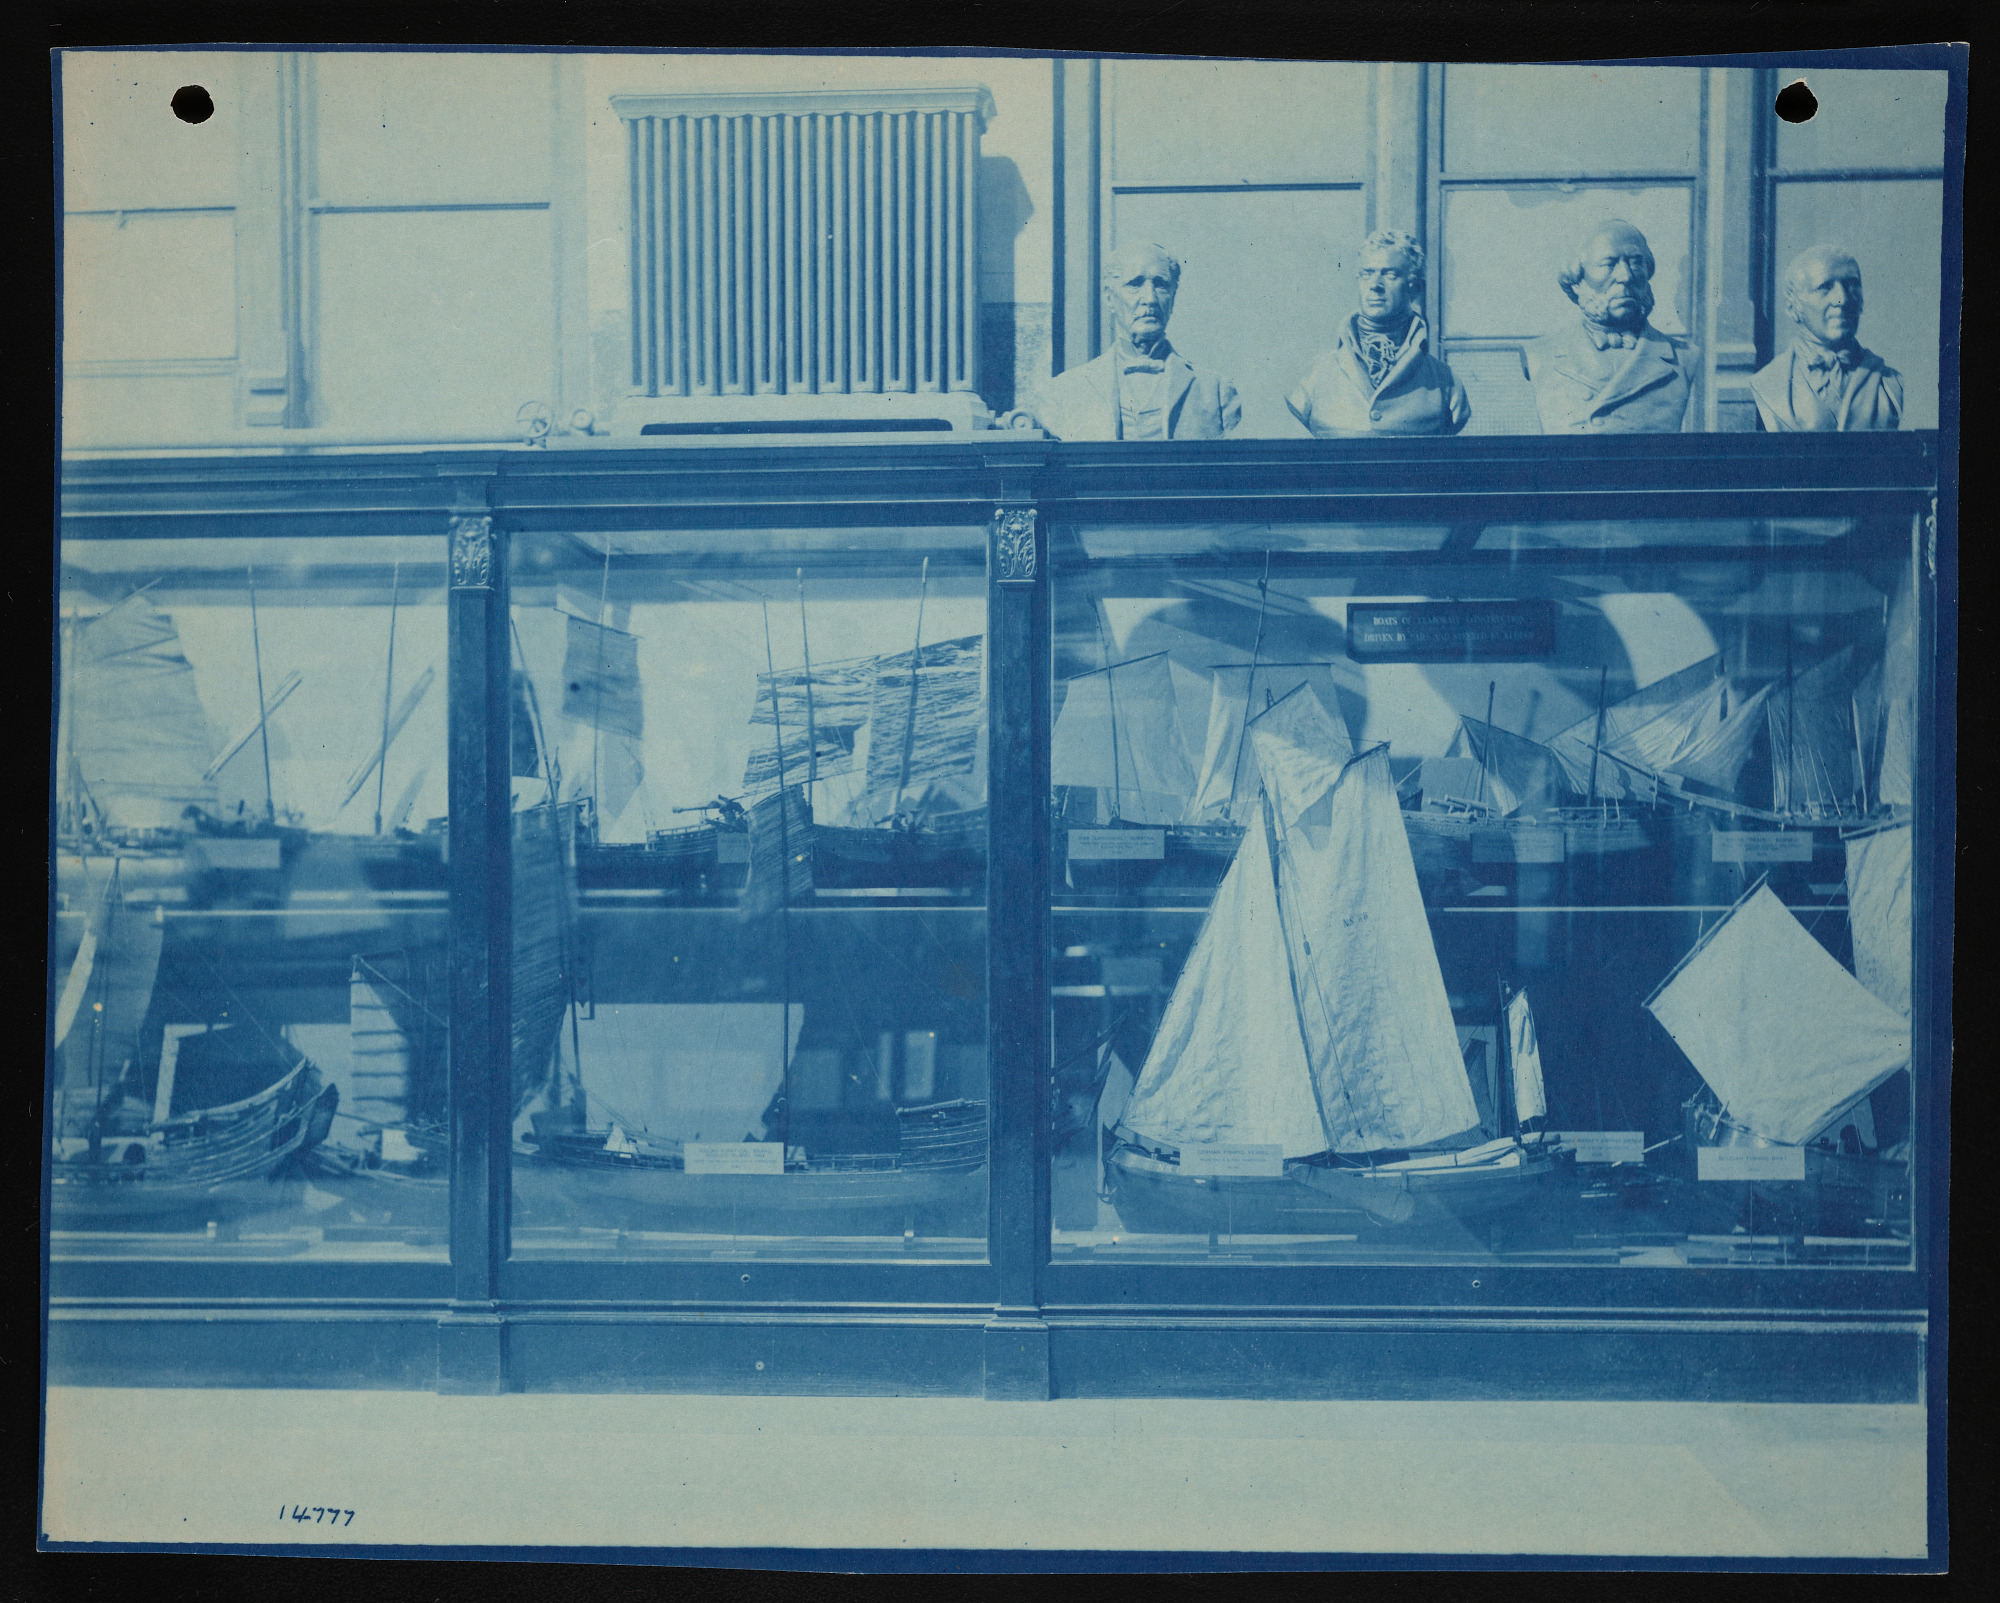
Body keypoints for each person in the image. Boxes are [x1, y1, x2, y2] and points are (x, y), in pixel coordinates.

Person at [1011, 243, 1240, 440]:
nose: (1150, 298)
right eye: (1135, 284)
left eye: (1161, 285)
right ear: (1110, 297)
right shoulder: (1062, 393)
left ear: (1173, 296)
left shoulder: (1216, 392)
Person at [1285, 231, 1470, 437]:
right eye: (1367, 274)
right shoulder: (1315, 376)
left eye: (1390, 275)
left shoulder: (1446, 383)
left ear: (1416, 287)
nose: (1375, 286)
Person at [1527, 220, 1692, 433]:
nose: (1626, 276)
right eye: (1608, 264)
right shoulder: (1541, 354)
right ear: (1577, 280)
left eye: (1636, 262)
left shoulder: (1683, 356)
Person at [1751, 246, 1903, 431]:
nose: (1842, 299)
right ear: (1793, 306)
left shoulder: (1889, 382)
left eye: (1852, 286)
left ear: (1862, 301)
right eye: (1825, 287)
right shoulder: (1769, 383)